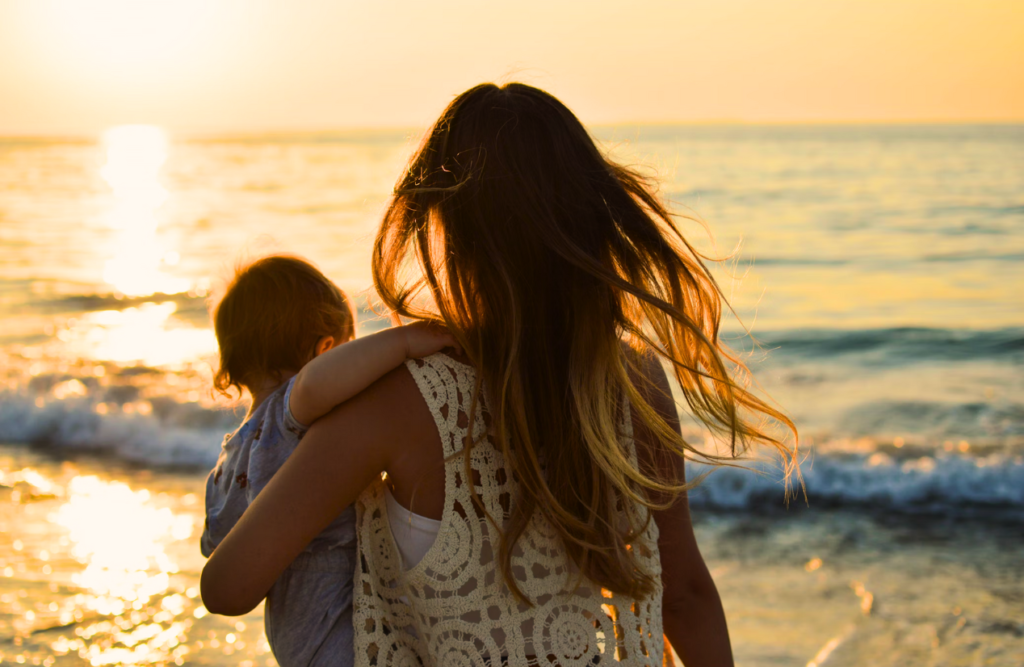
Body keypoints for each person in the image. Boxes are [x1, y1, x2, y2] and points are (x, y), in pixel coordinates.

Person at [201, 84, 798, 666]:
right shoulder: (635, 381)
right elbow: (685, 592)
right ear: (588, 216)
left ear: (442, 228)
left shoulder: (400, 398)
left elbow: (228, 586)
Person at [200, 254, 455, 666]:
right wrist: (405, 342)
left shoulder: (226, 467)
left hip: (298, 645)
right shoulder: (286, 419)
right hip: (348, 633)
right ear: (326, 350)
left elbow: (218, 546)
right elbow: (314, 384)